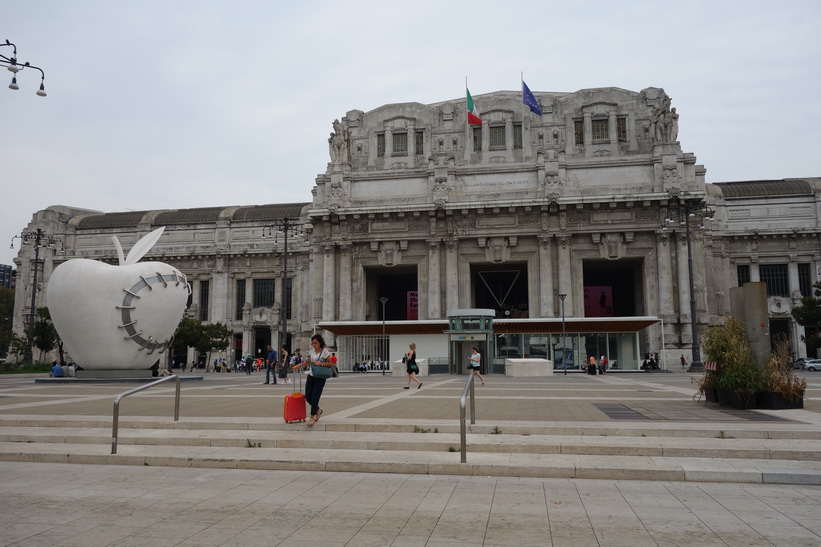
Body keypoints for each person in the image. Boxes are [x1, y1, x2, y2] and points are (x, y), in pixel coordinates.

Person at [299, 334, 332, 426]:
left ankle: (312, 416)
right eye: (312, 343)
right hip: (311, 375)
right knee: (308, 396)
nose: (314, 345)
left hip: (320, 377)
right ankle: (318, 410)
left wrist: (320, 363)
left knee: (315, 397)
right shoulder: (311, 351)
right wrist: (301, 365)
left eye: (315, 343)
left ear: (320, 343)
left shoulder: (324, 351)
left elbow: (330, 363)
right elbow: (309, 361)